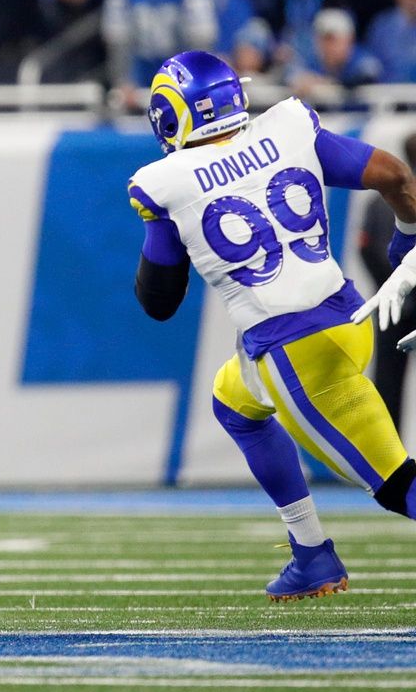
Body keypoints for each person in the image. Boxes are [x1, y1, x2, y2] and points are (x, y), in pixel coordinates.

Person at [128, 50, 416, 602]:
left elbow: (159, 301)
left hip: (295, 352)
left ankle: (316, 556)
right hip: (346, 317)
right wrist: (405, 243)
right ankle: (311, 555)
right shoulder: (287, 127)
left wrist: (158, 231)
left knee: (398, 485)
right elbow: (396, 176)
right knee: (233, 401)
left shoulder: (162, 183)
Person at [359, 133, 416, 435]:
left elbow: (367, 249)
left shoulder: (378, 202)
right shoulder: (381, 203)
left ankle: (391, 465)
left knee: (388, 385)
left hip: (391, 306)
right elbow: (367, 248)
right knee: (387, 384)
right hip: (396, 302)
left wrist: (392, 286)